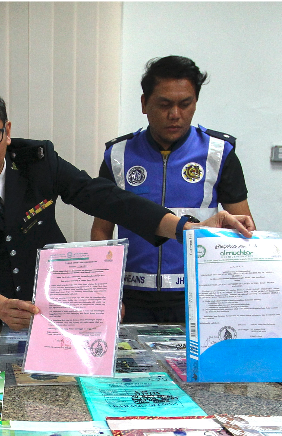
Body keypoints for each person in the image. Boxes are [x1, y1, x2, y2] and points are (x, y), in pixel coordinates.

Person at [0, 87, 254, 330]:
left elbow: (106, 198)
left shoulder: (38, 162)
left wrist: (184, 229)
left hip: (48, 314)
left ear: (7, 132)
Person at [91, 55, 253, 323]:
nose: (175, 114)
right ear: (144, 104)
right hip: (132, 296)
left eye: (185, 104)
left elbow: (245, 229)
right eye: (164, 104)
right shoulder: (117, 155)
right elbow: (101, 229)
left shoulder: (219, 152)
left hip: (196, 294)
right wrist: (105, 291)